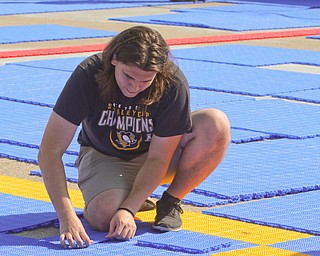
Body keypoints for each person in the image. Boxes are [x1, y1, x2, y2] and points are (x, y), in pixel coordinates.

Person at [38, 25, 230, 249]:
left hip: (155, 155)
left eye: (145, 81)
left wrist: (128, 209)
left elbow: (159, 158)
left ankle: (170, 201)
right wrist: (66, 217)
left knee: (216, 123)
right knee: (104, 217)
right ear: (114, 59)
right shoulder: (89, 74)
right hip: (104, 154)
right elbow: (49, 152)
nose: (134, 87)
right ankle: (128, 195)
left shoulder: (173, 83)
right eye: (128, 76)